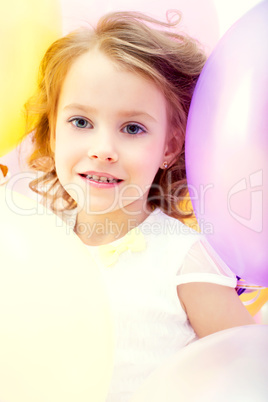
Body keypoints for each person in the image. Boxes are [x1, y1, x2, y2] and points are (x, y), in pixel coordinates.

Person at [24, 11, 255, 401]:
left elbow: (249, 373)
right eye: (80, 122)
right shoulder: (32, 238)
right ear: (52, 129)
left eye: (132, 128)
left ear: (169, 146)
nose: (103, 150)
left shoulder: (184, 260)